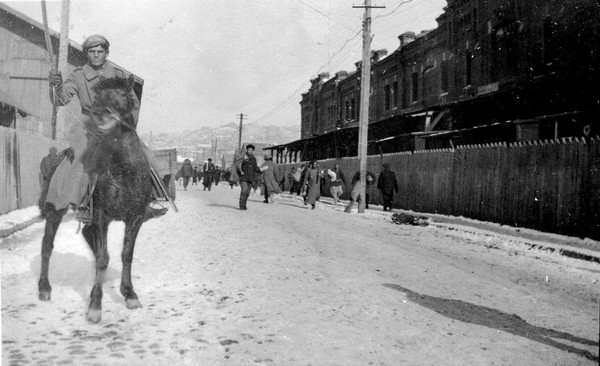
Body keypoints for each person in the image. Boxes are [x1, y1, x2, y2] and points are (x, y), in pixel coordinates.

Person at [46, 34, 167, 222]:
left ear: (106, 53)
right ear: (87, 54)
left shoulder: (118, 75)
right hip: (89, 125)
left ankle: (147, 201)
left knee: (145, 154)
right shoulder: (77, 75)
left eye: (100, 52)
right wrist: (56, 86)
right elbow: (61, 100)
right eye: (92, 52)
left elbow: (133, 104)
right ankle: (84, 204)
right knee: (85, 157)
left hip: (117, 124)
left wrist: (127, 124)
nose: (96, 55)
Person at [237, 144, 261, 210]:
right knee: (244, 191)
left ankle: (244, 205)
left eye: (252, 150)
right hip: (243, 177)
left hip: (250, 178)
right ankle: (241, 206)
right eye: (249, 150)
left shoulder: (253, 158)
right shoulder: (243, 157)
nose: (250, 151)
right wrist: (244, 161)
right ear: (247, 150)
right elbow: (238, 166)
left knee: (247, 193)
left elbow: (255, 167)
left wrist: (260, 170)